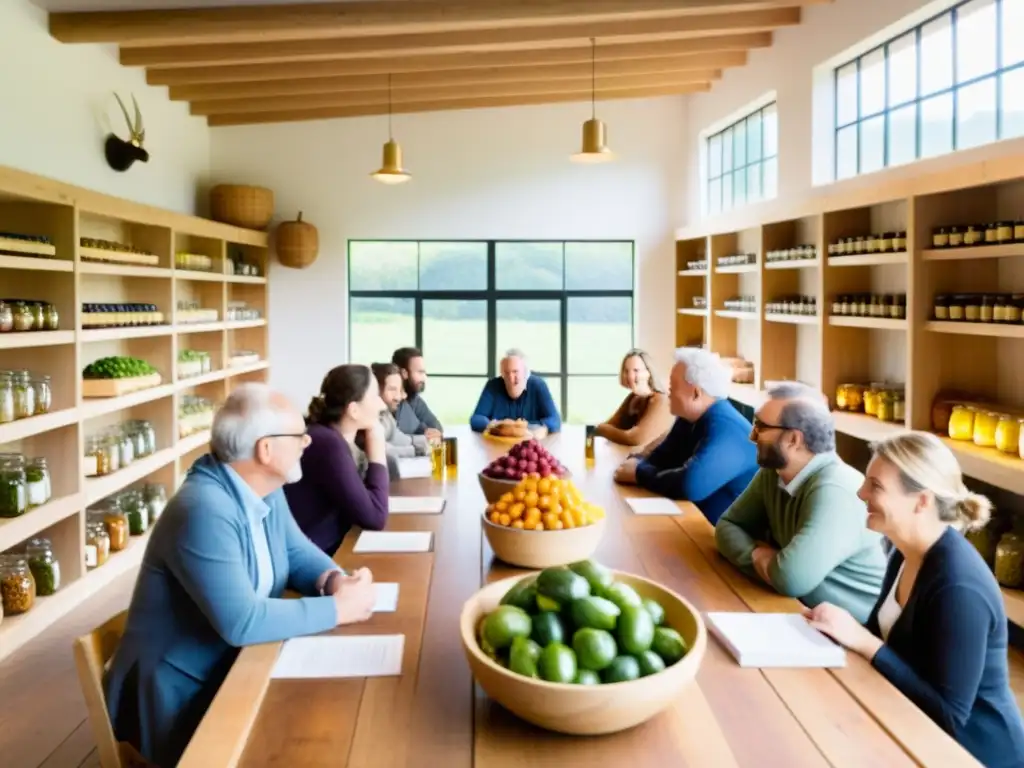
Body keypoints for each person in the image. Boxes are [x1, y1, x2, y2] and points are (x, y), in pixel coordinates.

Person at [103, 384, 377, 768]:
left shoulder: (264, 486)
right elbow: (242, 621)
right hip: (180, 695)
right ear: (266, 450)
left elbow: (295, 552)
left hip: (233, 663)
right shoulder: (203, 509)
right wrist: (337, 609)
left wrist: (333, 580)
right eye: (298, 436)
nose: (307, 443)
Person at [805, 433, 1024, 768]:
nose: (861, 493)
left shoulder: (958, 586)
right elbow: (883, 638)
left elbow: (949, 715)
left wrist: (864, 642)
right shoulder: (904, 550)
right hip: (911, 725)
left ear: (921, 501)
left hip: (972, 753)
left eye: (875, 485)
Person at [715, 382, 887, 623]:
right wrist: (761, 556)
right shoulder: (773, 472)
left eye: (760, 427)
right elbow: (727, 526)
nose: (752, 436)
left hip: (852, 636)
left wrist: (769, 563)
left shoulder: (836, 488)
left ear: (794, 439)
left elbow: (790, 579)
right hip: (800, 614)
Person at [614, 347, 758, 524]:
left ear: (696, 393)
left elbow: (690, 485)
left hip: (728, 536)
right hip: (694, 520)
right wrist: (638, 464)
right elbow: (661, 457)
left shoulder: (726, 427)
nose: (669, 393)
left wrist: (639, 473)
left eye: (673, 387)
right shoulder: (689, 419)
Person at [283, 364, 390, 557]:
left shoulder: (329, 437)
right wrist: (377, 451)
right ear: (354, 410)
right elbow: (375, 517)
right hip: (313, 561)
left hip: (327, 551)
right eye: (375, 396)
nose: (382, 405)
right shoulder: (327, 444)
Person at [469, 348, 561, 434]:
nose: (511, 378)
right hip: (498, 444)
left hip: (530, 444)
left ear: (526, 372)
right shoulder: (493, 386)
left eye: (515, 372)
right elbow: (476, 419)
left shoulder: (538, 385)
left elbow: (555, 420)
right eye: (506, 372)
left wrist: (524, 427)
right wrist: (495, 425)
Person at [594, 348, 673, 447]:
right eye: (626, 371)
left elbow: (635, 439)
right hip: (633, 457)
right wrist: (601, 429)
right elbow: (611, 424)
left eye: (636, 371)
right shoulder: (633, 398)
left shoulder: (661, 400)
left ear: (648, 373)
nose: (630, 376)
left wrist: (601, 428)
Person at [372, 361, 429, 476]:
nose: (400, 397)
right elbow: (381, 450)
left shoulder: (385, 415)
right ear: (374, 391)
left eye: (400, 390)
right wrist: (419, 450)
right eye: (392, 390)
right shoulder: (368, 420)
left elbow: (399, 438)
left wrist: (428, 442)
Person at [392, 346, 442, 441]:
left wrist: (430, 433)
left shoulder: (414, 398)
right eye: (420, 372)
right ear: (404, 373)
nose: (424, 378)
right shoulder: (390, 402)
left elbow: (436, 427)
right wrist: (423, 433)